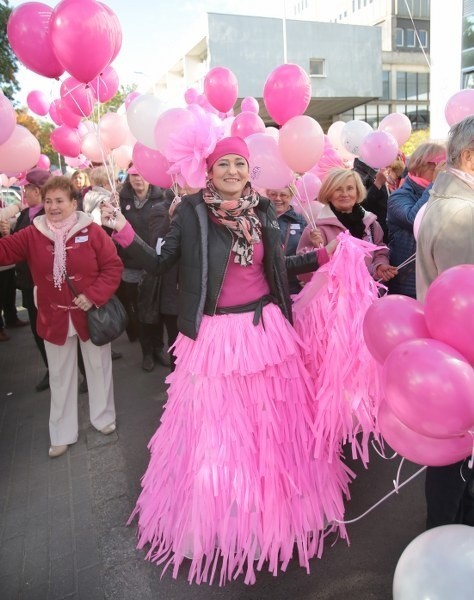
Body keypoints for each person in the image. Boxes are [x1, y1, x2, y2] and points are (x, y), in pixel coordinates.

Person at [102, 137, 351, 584]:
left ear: (248, 170)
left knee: (271, 431)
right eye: (224, 165)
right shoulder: (193, 212)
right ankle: (228, 521)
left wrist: (323, 254)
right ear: (209, 170)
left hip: (266, 333)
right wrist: (120, 227)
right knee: (220, 436)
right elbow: (158, 263)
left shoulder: (262, 211)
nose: (233, 171)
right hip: (215, 338)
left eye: (240, 163)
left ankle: (277, 516)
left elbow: (279, 266)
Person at [0, 176, 123, 458]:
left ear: (73, 202)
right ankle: (62, 433)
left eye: (59, 201)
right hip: (52, 317)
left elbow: (112, 266)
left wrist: (93, 295)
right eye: (48, 201)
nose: (53, 207)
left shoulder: (91, 231)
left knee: (98, 369)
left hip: (90, 315)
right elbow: (5, 252)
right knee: (59, 377)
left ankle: (103, 418)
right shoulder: (33, 232)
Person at [416, 116, 474, 529]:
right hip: (462, 359)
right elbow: (465, 304)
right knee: (457, 463)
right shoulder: (461, 214)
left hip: (453, 358)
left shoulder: (449, 203)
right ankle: (447, 542)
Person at [297, 168, 398, 284]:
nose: (344, 194)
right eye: (338, 189)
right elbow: (302, 274)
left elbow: (380, 252)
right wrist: (318, 250)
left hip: (366, 297)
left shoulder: (371, 224)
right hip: (330, 299)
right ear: (329, 193)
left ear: (357, 191)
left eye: (350, 188)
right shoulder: (316, 228)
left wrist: (379, 267)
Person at [116, 166, 173, 371]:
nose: (138, 179)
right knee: (139, 313)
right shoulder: (121, 200)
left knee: (155, 310)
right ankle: (146, 352)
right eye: (133, 175)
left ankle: (159, 348)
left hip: (155, 266)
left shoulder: (162, 198)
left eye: (141, 174)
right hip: (131, 266)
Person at [386, 142, 446, 298]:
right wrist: (435, 184)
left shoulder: (442, 194)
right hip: (408, 282)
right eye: (439, 166)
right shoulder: (399, 196)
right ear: (422, 165)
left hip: (436, 277)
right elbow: (414, 218)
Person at [266, 185, 308, 294]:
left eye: (283, 195)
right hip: (265, 285)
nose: (278, 198)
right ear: (267, 195)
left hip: (293, 286)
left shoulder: (300, 221)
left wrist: (307, 276)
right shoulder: (259, 218)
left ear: (291, 196)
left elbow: (308, 251)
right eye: (273, 194)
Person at [0, 201, 26, 341]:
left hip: (7, 263)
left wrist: (7, 228)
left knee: (8, 292)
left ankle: (11, 318)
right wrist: (17, 206)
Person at [353, 157, 389, 243]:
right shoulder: (357, 174)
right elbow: (357, 206)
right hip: (367, 233)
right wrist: (377, 185)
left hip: (377, 230)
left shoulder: (372, 171)